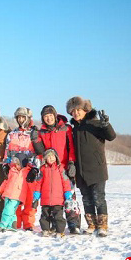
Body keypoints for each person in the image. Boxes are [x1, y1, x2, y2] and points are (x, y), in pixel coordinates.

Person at [67, 96, 116, 237]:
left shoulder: (95, 123)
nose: (76, 113)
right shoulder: (73, 129)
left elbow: (111, 136)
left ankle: (102, 226)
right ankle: (91, 225)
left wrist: (106, 124)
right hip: (81, 170)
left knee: (98, 198)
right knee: (87, 198)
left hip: (97, 168)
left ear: (85, 110)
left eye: (78, 110)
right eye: (73, 111)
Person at [32, 105, 79, 234]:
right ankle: (53, 224)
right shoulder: (42, 132)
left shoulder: (66, 128)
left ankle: (73, 224)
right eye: (45, 116)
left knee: (70, 197)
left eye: (50, 115)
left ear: (55, 115)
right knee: (52, 199)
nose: (48, 118)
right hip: (49, 169)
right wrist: (35, 140)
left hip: (64, 167)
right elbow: (40, 152)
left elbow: (71, 147)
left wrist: (71, 162)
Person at [3, 107, 39, 231]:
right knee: (15, 196)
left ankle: (28, 223)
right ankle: (16, 221)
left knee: (30, 198)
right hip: (15, 171)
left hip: (29, 171)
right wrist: (5, 164)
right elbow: (7, 151)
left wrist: (35, 168)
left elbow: (37, 153)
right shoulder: (12, 134)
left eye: (23, 117)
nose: (21, 119)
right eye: (18, 117)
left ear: (28, 118)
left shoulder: (34, 133)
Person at [32, 149, 73, 237]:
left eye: (53, 156)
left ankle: (59, 231)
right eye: (49, 156)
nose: (51, 158)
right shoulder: (42, 169)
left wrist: (68, 193)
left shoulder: (60, 168)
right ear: (45, 159)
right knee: (45, 216)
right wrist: (36, 194)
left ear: (56, 157)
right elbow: (38, 183)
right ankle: (45, 230)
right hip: (46, 199)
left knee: (58, 217)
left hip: (58, 199)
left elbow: (65, 182)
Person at [0, 153, 31, 232]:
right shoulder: (12, 170)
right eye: (15, 164)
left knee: (8, 210)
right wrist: (0, 191)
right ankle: (12, 225)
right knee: (11, 211)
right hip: (8, 193)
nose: (16, 166)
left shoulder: (26, 172)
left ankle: (2, 224)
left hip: (17, 196)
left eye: (18, 164)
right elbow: (6, 182)